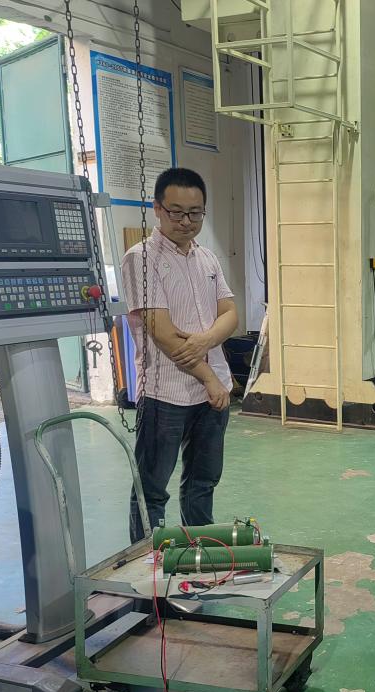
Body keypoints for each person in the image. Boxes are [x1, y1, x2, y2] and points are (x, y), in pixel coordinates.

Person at [121, 167, 238, 543]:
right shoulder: (141, 259)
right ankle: (147, 566)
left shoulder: (207, 259)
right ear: (157, 209)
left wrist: (204, 341)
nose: (186, 221)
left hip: (211, 396)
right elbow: (165, 336)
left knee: (203, 483)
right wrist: (210, 377)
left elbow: (230, 314)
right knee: (152, 491)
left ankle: (200, 555)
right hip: (165, 394)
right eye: (176, 212)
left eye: (195, 213)